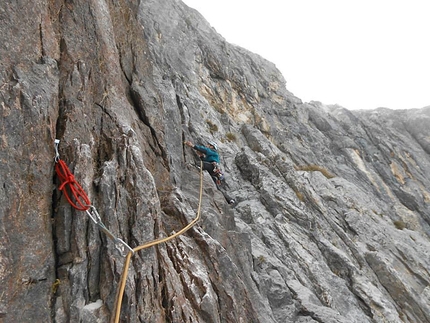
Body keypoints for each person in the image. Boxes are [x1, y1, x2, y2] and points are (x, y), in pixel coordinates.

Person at [185, 140, 235, 205]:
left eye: (209, 145)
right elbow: (206, 160)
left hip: (212, 167)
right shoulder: (211, 155)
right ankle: (229, 199)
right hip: (212, 172)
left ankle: (198, 168)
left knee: (199, 163)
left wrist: (193, 146)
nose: (207, 146)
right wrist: (201, 156)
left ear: (212, 147)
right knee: (216, 188)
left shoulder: (213, 152)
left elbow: (206, 150)